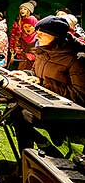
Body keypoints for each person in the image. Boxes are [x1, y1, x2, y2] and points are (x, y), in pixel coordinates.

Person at [11, 16, 85, 157]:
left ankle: (44, 153)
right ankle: (27, 161)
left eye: (42, 33)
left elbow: (79, 95)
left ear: (56, 36)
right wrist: (26, 75)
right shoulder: (43, 51)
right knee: (13, 110)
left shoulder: (76, 59)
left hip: (66, 115)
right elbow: (37, 74)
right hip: (44, 104)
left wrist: (43, 83)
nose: (37, 35)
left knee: (22, 115)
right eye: (37, 31)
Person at [9, 0, 37, 69]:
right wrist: (12, 47)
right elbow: (13, 35)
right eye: (21, 8)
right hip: (19, 51)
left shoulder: (37, 37)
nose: (22, 10)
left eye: (25, 9)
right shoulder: (17, 21)